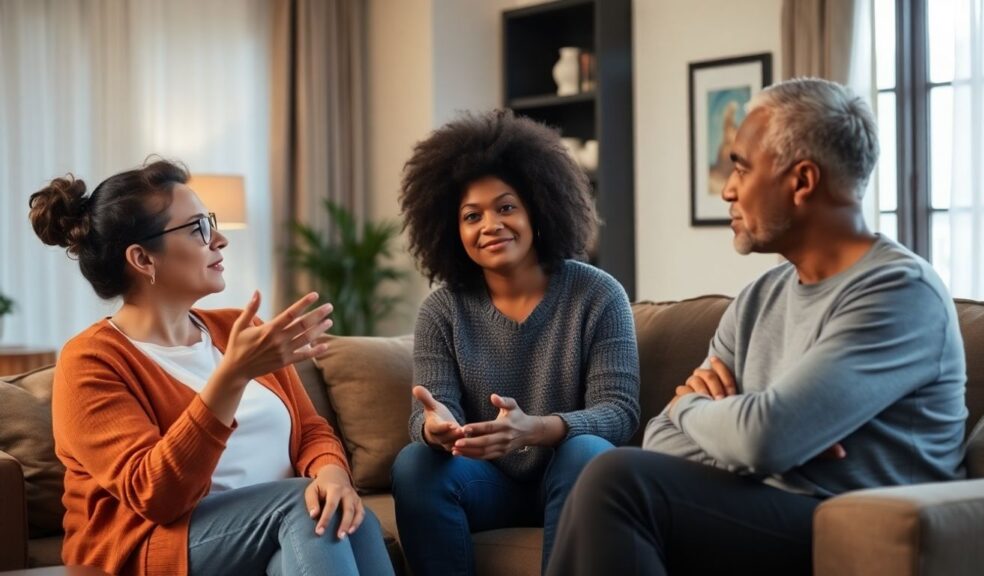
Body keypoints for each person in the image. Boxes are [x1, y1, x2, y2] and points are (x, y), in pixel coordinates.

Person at [547, 77, 968, 576]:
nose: (727, 189)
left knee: (617, 480)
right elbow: (663, 439)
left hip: (853, 522)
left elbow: (764, 439)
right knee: (610, 474)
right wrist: (742, 427)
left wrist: (699, 407)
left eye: (742, 168)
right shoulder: (758, 299)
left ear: (802, 181)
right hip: (763, 506)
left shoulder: (899, 291)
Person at [28, 160, 394, 576]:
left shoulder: (239, 328)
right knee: (306, 505)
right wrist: (232, 376)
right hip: (153, 545)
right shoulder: (91, 361)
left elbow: (310, 430)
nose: (219, 239)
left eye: (211, 223)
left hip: (271, 531)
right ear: (143, 259)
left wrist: (334, 476)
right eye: (198, 228)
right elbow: (156, 496)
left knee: (343, 514)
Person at [391, 109, 641, 576]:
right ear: (451, 229)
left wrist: (536, 429)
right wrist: (436, 428)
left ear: (539, 209)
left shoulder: (598, 294)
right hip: (486, 485)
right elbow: (431, 409)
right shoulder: (442, 309)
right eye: (472, 215)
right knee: (415, 463)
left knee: (587, 452)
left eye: (506, 207)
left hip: (570, 476)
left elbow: (619, 411)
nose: (490, 225)